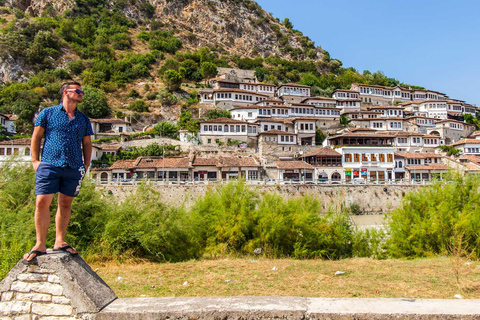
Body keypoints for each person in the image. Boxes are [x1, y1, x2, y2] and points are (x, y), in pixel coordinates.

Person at [23, 81, 93, 265]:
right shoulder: (48, 113)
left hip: (73, 166)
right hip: (49, 163)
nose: (80, 94)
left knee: (65, 202)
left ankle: (59, 241)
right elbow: (36, 137)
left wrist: (85, 165)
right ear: (65, 92)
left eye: (81, 91)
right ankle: (40, 245)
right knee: (42, 202)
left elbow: (86, 143)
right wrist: (35, 161)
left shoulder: (83, 119)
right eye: (77, 91)